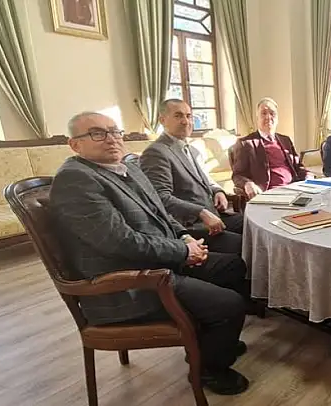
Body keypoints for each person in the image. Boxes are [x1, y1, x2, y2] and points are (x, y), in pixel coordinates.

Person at [49, 112, 250, 395]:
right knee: (229, 304)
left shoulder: (126, 167)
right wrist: (182, 251)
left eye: (115, 131)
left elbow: (161, 213)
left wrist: (185, 236)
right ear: (75, 145)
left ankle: (213, 341)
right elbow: (120, 243)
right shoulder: (76, 180)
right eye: (97, 133)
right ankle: (208, 369)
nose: (111, 139)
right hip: (127, 283)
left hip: (155, 262)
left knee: (234, 266)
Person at [139, 99, 244, 254]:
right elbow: (160, 198)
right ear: (162, 120)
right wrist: (200, 212)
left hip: (214, 214)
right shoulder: (156, 153)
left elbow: (206, 180)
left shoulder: (193, 150)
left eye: (188, 116)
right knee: (246, 244)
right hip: (190, 226)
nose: (185, 121)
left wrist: (218, 191)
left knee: (254, 225)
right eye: (178, 116)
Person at [230, 97, 311, 198]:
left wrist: (308, 176)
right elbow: (237, 175)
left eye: (272, 113)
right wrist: (248, 184)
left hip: (294, 191)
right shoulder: (245, 143)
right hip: (269, 194)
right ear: (257, 118)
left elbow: (298, 167)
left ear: (277, 119)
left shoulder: (285, 140)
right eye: (264, 113)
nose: (268, 117)